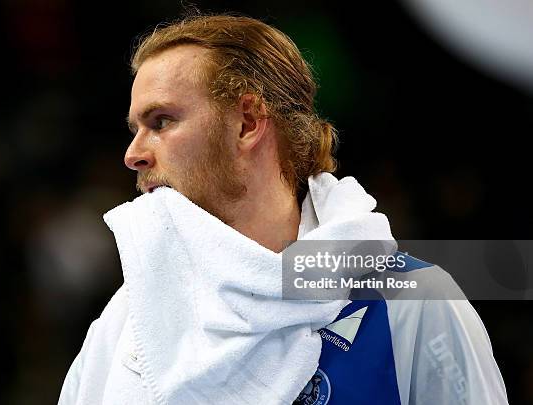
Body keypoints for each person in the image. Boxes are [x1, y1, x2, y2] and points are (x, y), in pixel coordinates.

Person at [57, 13, 509, 405]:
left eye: (161, 122)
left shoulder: (411, 303)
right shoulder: (124, 331)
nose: (133, 154)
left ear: (248, 123)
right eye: (136, 128)